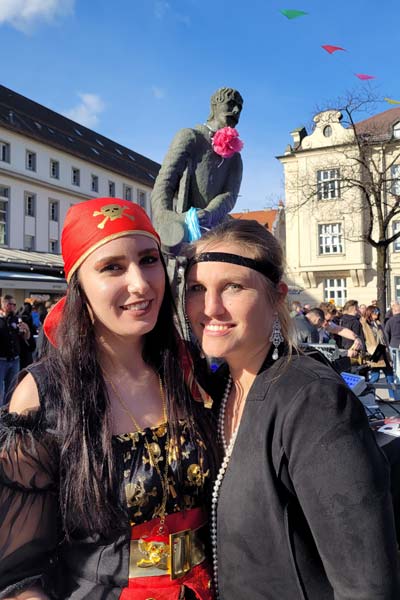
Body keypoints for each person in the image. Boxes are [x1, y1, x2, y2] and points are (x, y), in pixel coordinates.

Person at [0, 198, 216, 600]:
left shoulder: (189, 370)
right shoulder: (44, 393)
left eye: (148, 260)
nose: (140, 283)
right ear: (79, 286)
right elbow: (17, 575)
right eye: (112, 267)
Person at [184, 219, 400, 599]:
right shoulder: (214, 390)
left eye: (233, 287)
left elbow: (366, 583)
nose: (211, 307)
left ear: (277, 297)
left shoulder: (313, 401)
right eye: (197, 288)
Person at [151, 87, 243, 254]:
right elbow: (165, 181)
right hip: (185, 233)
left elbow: (230, 195)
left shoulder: (235, 156)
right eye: (230, 104)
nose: (236, 111)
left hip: (216, 233)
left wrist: (210, 213)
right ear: (215, 105)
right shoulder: (190, 137)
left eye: (239, 108)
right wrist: (164, 217)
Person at [361, 305, 400, 401]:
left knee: (390, 375)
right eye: (375, 312)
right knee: (375, 376)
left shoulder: (378, 324)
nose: (377, 314)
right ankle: (370, 397)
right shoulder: (365, 324)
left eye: (378, 312)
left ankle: (394, 397)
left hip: (383, 351)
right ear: (370, 313)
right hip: (375, 352)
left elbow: (384, 338)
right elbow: (367, 340)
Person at [0, 294, 31, 406]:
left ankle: (7, 411)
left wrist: (26, 331)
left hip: (15, 360)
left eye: (14, 304)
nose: (13, 307)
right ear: (3, 305)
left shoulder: (17, 319)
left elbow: (26, 338)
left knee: (11, 389)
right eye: (10, 304)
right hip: (1, 360)